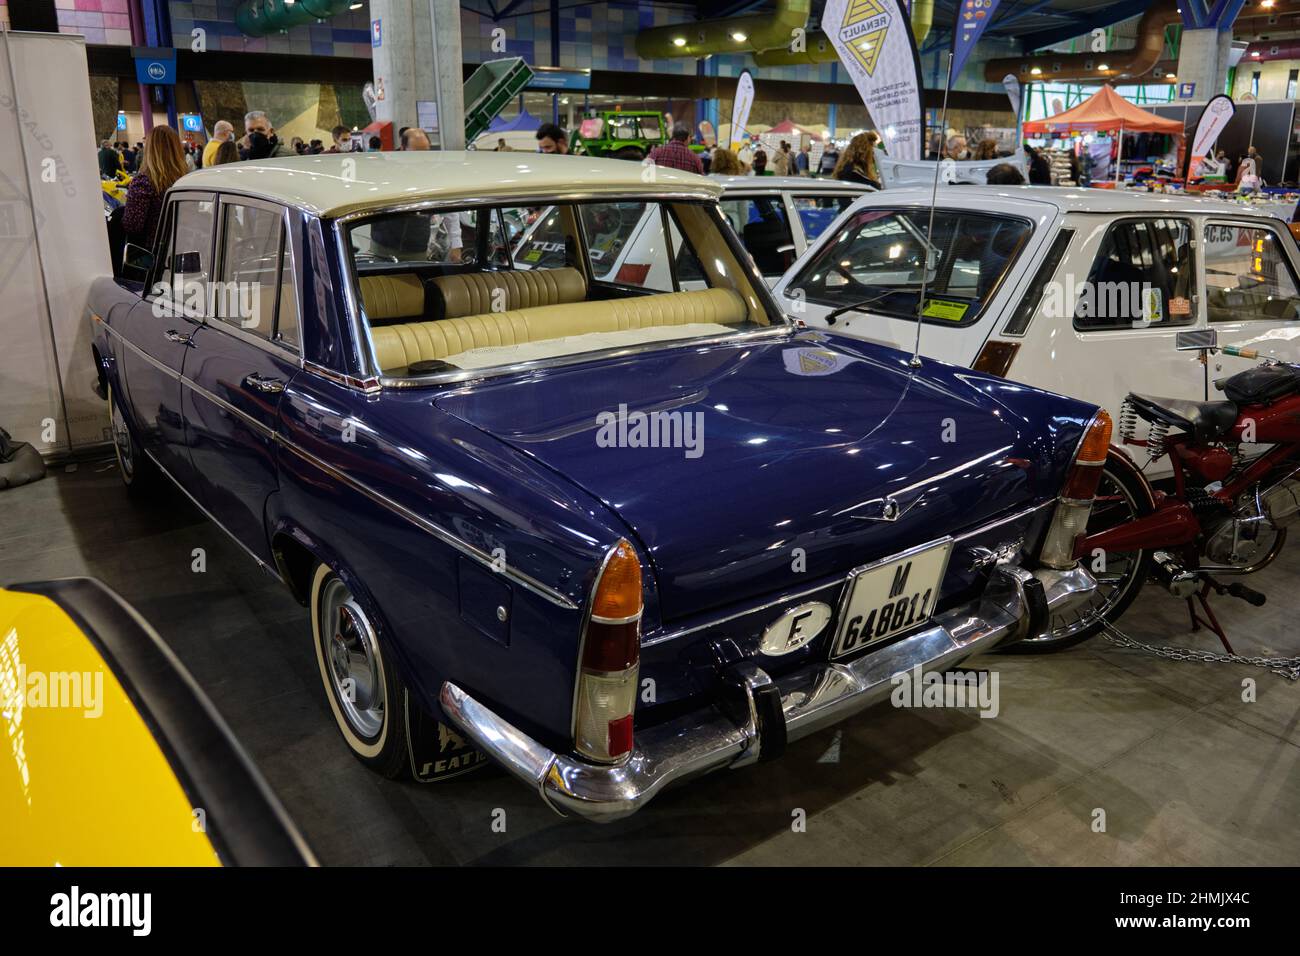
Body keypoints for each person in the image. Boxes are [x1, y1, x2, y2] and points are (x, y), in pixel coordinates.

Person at [122, 124, 187, 248]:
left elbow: (133, 225)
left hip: (153, 255)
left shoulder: (144, 182)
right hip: (181, 249)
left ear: (150, 149)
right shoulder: (186, 179)